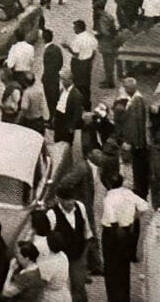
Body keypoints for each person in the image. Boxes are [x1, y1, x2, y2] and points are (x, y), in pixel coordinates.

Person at [99, 172, 148, 302]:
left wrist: (117, 227)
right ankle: (124, 297)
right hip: (127, 233)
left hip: (112, 233)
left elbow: (110, 216)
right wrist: (134, 216)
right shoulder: (128, 193)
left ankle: (114, 298)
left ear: (108, 184)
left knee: (111, 268)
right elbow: (144, 206)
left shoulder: (108, 198)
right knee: (123, 267)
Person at [48, 187, 92, 302]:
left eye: (73, 199)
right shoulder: (52, 214)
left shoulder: (80, 207)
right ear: (59, 200)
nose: (71, 202)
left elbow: (87, 232)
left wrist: (84, 257)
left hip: (78, 257)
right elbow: (49, 240)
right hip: (61, 260)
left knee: (79, 288)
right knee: (63, 290)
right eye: (67, 200)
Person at [115, 78, 150, 199]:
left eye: (125, 88)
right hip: (136, 143)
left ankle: (140, 194)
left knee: (137, 170)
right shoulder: (133, 100)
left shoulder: (137, 101)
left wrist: (130, 142)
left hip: (136, 144)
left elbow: (134, 124)